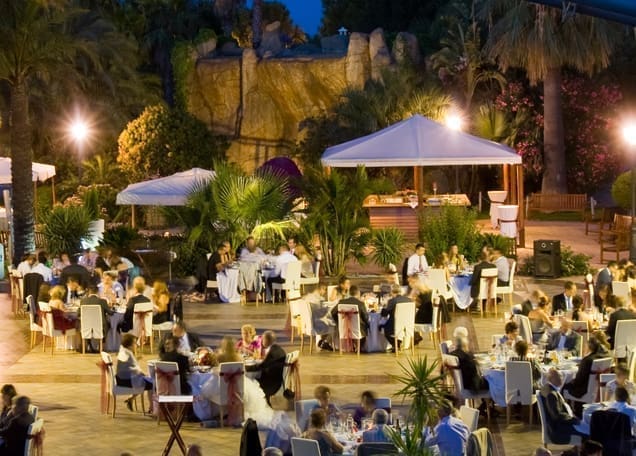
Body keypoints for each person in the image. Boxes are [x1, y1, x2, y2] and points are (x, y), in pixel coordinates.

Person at [540, 368, 585, 444]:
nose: (561, 378)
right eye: (558, 376)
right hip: (559, 429)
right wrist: (575, 420)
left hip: (561, 424)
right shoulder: (551, 394)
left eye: (561, 376)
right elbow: (557, 415)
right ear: (551, 379)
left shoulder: (551, 389)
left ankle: (581, 448)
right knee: (590, 432)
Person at [563, 334, 609, 399]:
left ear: (588, 347)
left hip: (583, 390)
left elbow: (578, 381)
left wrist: (569, 382)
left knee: (561, 386)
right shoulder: (603, 357)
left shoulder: (587, 360)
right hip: (596, 389)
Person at [116, 334, 152, 412]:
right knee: (151, 384)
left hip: (123, 378)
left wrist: (136, 359)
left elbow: (128, 364)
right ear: (129, 345)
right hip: (125, 380)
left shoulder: (124, 350)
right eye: (134, 343)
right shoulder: (127, 353)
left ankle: (131, 398)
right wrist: (142, 373)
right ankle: (152, 407)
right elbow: (131, 368)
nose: (136, 345)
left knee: (146, 381)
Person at [249, 330, 286, 405]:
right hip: (276, 381)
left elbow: (261, 366)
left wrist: (247, 368)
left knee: (249, 381)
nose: (261, 341)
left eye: (263, 339)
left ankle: (254, 404)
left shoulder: (272, 352)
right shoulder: (278, 349)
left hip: (269, 384)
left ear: (266, 340)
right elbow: (266, 364)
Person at [330, 285, 369, 350]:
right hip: (358, 329)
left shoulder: (341, 302)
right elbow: (366, 318)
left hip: (344, 327)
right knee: (365, 327)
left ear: (349, 293)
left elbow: (332, 312)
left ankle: (353, 346)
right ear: (358, 293)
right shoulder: (360, 304)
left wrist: (339, 322)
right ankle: (358, 347)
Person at [79, 284, 114, 352]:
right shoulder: (102, 301)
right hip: (101, 326)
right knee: (108, 324)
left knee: (83, 325)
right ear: (97, 292)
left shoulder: (83, 301)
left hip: (86, 325)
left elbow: (78, 313)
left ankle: (88, 344)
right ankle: (101, 345)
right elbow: (110, 313)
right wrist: (111, 308)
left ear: (89, 292)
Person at [381, 284, 412, 352]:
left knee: (383, 328)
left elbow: (385, 314)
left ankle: (396, 345)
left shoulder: (392, 301)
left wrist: (384, 307)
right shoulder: (409, 300)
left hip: (395, 325)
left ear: (391, 292)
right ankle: (398, 344)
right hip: (407, 324)